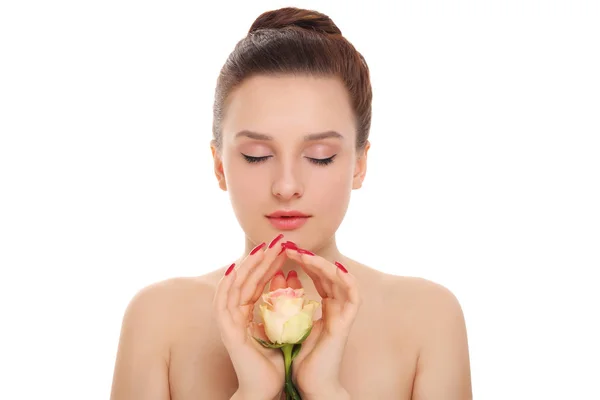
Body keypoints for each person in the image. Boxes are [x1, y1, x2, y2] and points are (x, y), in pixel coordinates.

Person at [110, 6, 472, 400]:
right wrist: (253, 391)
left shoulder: (428, 320)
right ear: (218, 166)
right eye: (256, 155)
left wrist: (326, 389)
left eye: (319, 156)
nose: (286, 186)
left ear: (359, 165)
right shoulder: (159, 321)